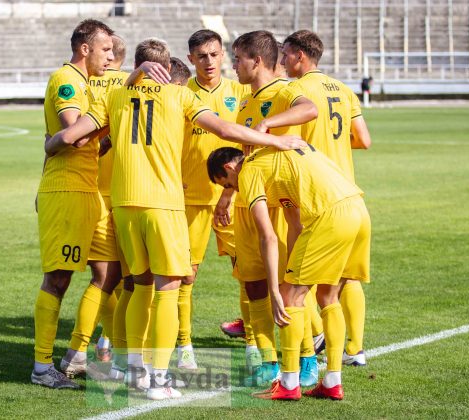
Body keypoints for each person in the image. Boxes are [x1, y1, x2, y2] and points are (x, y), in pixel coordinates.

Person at [44, 37, 309, 400]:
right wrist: (278, 142)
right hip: (163, 203)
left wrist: (49, 144)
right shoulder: (180, 95)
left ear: (139, 66)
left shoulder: (115, 96)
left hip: (123, 205)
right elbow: (225, 130)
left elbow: (71, 136)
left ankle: (136, 371)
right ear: (167, 69)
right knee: (168, 290)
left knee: (139, 285)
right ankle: (157, 378)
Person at [207, 145, 371, 401]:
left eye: (227, 184)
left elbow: (268, 236)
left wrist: (276, 289)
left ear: (229, 167)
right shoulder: (276, 163)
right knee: (328, 297)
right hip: (358, 210)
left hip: (329, 216)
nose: (233, 190)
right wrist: (291, 273)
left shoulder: (248, 170)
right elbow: (294, 224)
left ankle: (289, 383)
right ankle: (332, 382)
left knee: (289, 297)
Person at [263, 30, 372, 367]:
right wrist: (337, 147)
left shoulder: (295, 90)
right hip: (349, 191)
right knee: (345, 278)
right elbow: (364, 140)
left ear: (298, 55)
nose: (282, 61)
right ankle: (355, 349)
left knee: (298, 280)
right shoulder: (343, 89)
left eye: (286, 54)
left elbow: (290, 142)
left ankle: (306, 350)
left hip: (314, 193)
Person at [31, 19, 117, 390]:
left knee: (110, 272)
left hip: (89, 190)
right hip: (67, 190)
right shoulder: (66, 80)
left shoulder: (87, 84)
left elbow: (84, 140)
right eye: (106, 50)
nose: (112, 58)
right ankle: (41, 367)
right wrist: (104, 116)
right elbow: (72, 134)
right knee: (59, 278)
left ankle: (79, 356)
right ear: (85, 49)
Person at [231, 30, 318, 387]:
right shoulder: (244, 101)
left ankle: (306, 358)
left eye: (238, 58)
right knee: (254, 284)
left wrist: (270, 124)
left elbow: (309, 109)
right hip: (249, 199)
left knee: (288, 287)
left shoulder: (282, 90)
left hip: (283, 206)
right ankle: (268, 362)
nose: (234, 65)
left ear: (257, 60)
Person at [177, 29, 251, 372]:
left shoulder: (240, 92)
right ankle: (184, 344)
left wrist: (227, 193)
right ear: (190, 58)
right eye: (201, 56)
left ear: (223, 55)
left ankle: (253, 343)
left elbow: (246, 150)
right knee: (185, 276)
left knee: (248, 272)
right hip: (188, 199)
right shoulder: (179, 94)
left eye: (214, 54)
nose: (209, 61)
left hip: (233, 199)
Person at [87, 34, 130, 366]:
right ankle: (115, 344)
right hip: (132, 193)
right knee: (130, 277)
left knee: (103, 276)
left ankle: (104, 340)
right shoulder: (133, 87)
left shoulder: (90, 85)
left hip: (92, 189)